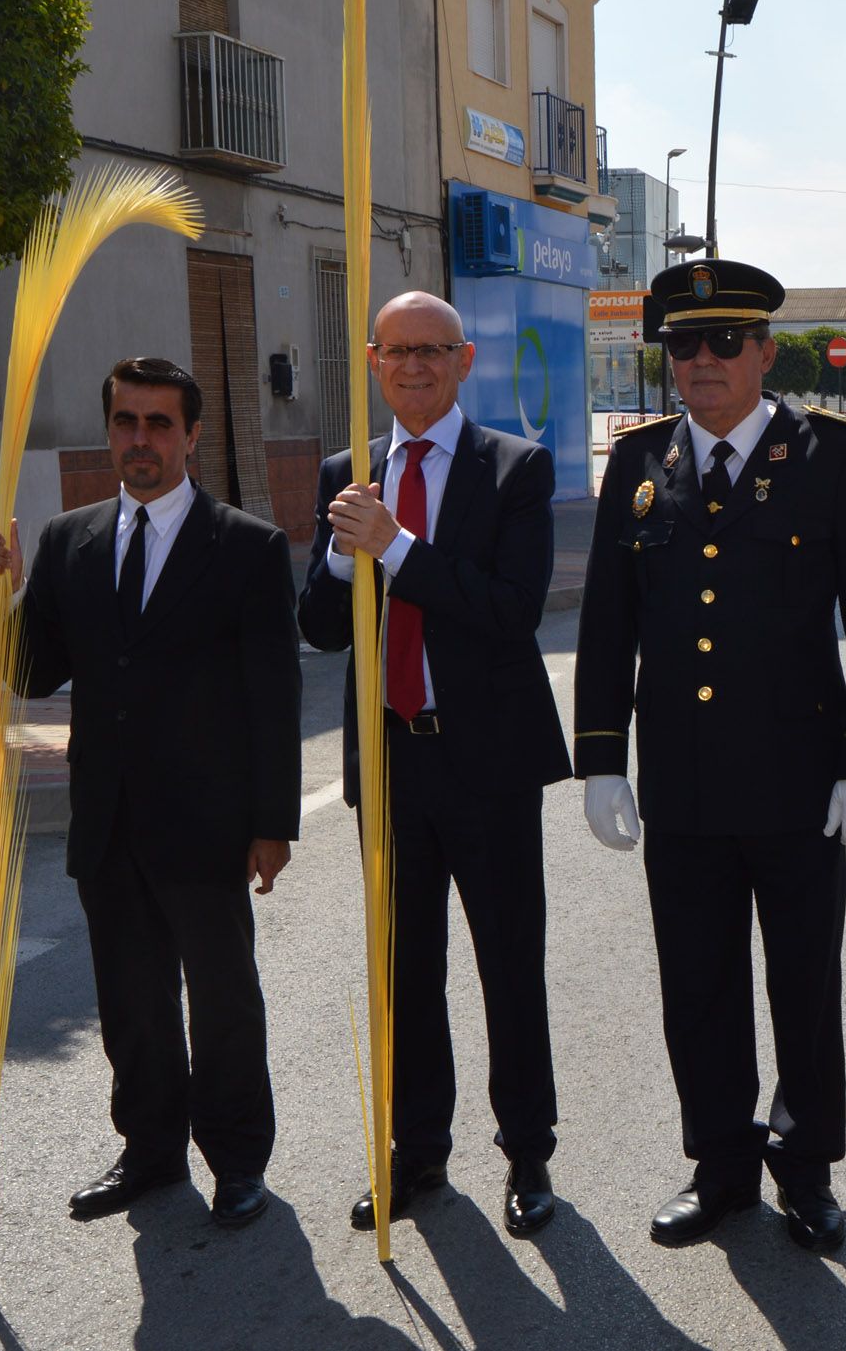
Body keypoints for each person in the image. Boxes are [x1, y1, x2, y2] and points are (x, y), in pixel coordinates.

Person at [574, 259, 846, 1254]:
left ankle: (804, 1168)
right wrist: (600, 757)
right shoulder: (638, 462)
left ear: (765, 351)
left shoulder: (834, 457)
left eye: (725, 341)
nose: (703, 359)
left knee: (802, 982)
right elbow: (605, 623)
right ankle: (719, 1164)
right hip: (680, 782)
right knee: (697, 981)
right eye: (683, 343)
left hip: (801, 779)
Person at [0, 357, 300, 1230]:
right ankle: (150, 1151)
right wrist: (3, 595)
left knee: (224, 1000)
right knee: (130, 999)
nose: (141, 440)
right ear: (110, 429)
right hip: (109, 820)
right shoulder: (69, 540)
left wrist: (273, 823)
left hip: (209, 823)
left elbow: (275, 698)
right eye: (127, 421)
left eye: (160, 424)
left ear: (193, 436)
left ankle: (237, 1159)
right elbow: (35, 673)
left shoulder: (247, 547)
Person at [297, 291, 571, 1236]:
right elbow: (320, 629)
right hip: (390, 761)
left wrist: (397, 548)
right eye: (396, 351)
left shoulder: (514, 469)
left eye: (433, 351)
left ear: (463, 363)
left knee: (508, 963)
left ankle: (528, 1152)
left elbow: (510, 610)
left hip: (486, 759)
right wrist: (342, 558)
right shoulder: (348, 472)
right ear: (372, 361)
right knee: (403, 970)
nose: (413, 367)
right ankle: (418, 1153)